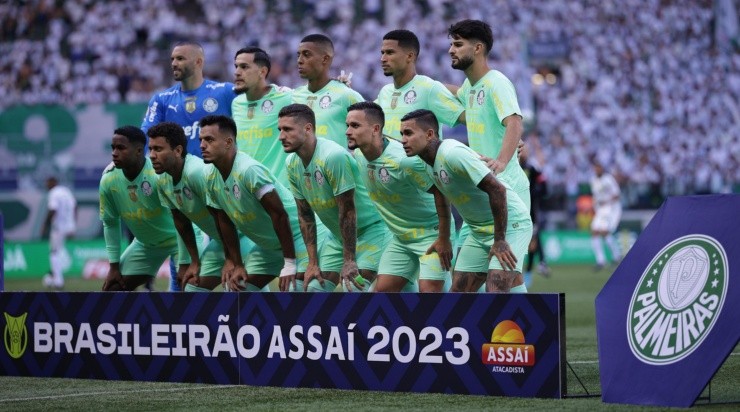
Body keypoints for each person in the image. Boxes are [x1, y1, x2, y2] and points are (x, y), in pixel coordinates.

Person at [400, 109, 532, 293]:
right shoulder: (425, 162)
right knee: (459, 297)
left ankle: (527, 320)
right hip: (478, 231)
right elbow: (442, 197)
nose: (403, 139)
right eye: (401, 134)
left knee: (495, 291)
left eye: (408, 133)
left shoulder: (452, 153)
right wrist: (443, 237)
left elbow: (498, 189)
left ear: (430, 134)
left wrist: (500, 240)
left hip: (511, 225)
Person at [140, 40, 236, 291]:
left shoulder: (224, 92)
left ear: (199, 62)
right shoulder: (161, 100)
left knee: (233, 259)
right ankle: (178, 321)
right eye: (172, 58)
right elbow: (143, 139)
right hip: (181, 194)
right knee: (181, 266)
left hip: (218, 192)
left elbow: (263, 95)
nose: (174, 63)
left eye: (181, 58)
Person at [199, 114, 324, 292]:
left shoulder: (249, 170)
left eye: (209, 140)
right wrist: (236, 263)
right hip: (268, 247)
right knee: (236, 289)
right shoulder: (209, 176)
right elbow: (223, 221)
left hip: (298, 237)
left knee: (295, 290)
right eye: (201, 140)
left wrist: (289, 264)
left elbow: (279, 216)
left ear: (228, 142)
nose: (202, 145)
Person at [280, 104, 389, 292]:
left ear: (307, 129)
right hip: (337, 236)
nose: (281, 136)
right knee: (312, 290)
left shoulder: (333, 156)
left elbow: (347, 211)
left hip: (370, 230)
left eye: (287, 129)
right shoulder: (291, 163)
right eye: (280, 130)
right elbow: (305, 215)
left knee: (354, 288)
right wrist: (312, 263)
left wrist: (349, 260)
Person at [347, 102, 453, 292]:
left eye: (355, 126)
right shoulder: (359, 155)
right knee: (382, 293)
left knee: (431, 294)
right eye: (347, 125)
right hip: (401, 239)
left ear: (375, 129)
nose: (348, 131)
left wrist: (444, 238)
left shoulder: (405, 161)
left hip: (432, 234)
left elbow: (441, 191)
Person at [147, 121, 252, 291]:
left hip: (242, 237)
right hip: (220, 242)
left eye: (158, 149)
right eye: (150, 149)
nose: (151, 155)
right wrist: (193, 261)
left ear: (178, 151)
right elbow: (181, 222)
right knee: (193, 288)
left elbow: (224, 216)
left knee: (237, 290)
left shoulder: (196, 173)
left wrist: (231, 259)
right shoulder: (161, 179)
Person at [447, 20, 529, 210]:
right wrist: (427, 86)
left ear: (477, 48)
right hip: (487, 186)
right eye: (451, 44)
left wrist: (501, 161)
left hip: (508, 187)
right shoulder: (470, 87)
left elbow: (515, 123)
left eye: (458, 44)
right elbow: (457, 92)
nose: (451, 50)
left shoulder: (497, 82)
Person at [99, 126, 181, 291]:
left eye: (121, 148)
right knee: (113, 288)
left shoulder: (159, 174)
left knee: (191, 286)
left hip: (180, 240)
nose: (114, 152)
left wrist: (189, 259)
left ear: (138, 151)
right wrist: (114, 268)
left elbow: (185, 216)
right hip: (146, 245)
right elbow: (110, 223)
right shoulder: (108, 180)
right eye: (113, 148)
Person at [375, 29, 465, 139]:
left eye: (390, 53)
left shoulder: (429, 88)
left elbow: (470, 120)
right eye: (382, 53)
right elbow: (363, 116)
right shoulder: (385, 91)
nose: (383, 59)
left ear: (410, 56)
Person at [231, 47, 293, 186]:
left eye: (244, 67)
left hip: (279, 193)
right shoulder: (237, 103)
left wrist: (338, 83)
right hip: (247, 191)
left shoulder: (285, 97)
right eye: (236, 66)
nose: (237, 72)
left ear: (262, 71)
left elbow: (315, 97)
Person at [292, 34, 364, 149]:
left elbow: (368, 136)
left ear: (325, 59)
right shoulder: (294, 96)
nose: (299, 60)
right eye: (298, 55)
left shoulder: (346, 95)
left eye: (306, 54)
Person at [520, 143, 550, 287]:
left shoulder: (532, 168)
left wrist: (534, 194)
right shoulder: (511, 165)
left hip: (530, 212)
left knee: (533, 243)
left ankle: (529, 272)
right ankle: (541, 263)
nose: (523, 152)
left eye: (525, 150)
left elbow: (544, 187)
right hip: (515, 210)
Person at [40, 177, 76, 290]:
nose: (47, 186)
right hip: (69, 226)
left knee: (54, 253)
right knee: (58, 251)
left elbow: (52, 210)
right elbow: (75, 207)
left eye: (48, 183)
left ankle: (58, 281)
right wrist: (73, 224)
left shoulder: (53, 193)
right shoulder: (66, 191)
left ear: (53, 183)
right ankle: (53, 275)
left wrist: (45, 226)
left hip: (58, 227)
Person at [590, 159, 622, 271]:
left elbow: (617, 195)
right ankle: (601, 261)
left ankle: (617, 256)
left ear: (602, 169)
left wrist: (606, 201)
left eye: (599, 168)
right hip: (600, 209)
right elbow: (595, 197)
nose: (597, 170)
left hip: (611, 208)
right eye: (595, 168)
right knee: (594, 232)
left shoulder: (608, 179)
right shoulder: (593, 180)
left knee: (604, 231)